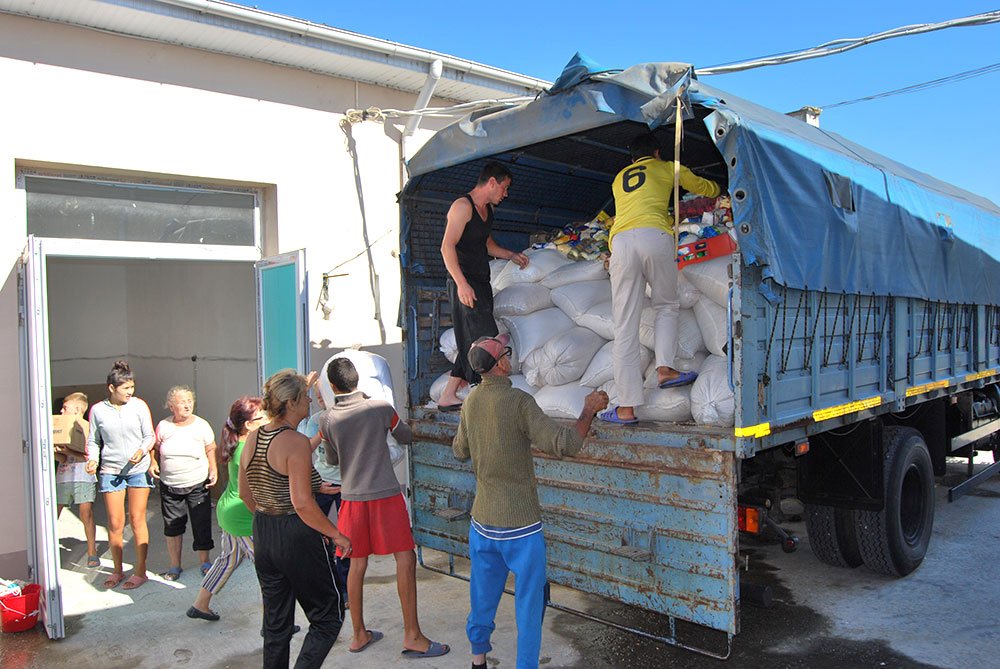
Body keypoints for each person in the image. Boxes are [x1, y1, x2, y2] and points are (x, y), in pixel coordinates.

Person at [452, 334, 608, 669]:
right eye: (506, 353)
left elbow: (460, 451)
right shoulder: (519, 402)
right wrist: (588, 410)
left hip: (482, 524)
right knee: (528, 604)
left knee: (482, 596)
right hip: (521, 528)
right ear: (502, 363)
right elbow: (564, 443)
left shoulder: (470, 401)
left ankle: (478, 658)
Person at [319, 358, 449, 658]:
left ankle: (358, 634)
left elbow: (332, 461)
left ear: (334, 386)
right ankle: (412, 636)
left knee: (356, 564)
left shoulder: (327, 419)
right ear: (357, 382)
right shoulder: (379, 408)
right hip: (386, 497)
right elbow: (405, 436)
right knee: (405, 559)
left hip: (351, 500)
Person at [600, 132, 722, 425]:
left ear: (632, 160)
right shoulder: (668, 166)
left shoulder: (619, 178)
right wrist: (716, 185)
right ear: (656, 153)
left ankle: (626, 408)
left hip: (620, 243)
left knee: (625, 324)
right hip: (654, 235)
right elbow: (705, 188)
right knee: (666, 304)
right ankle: (665, 368)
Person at [240, 369, 350, 669]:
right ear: (290, 402)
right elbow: (302, 504)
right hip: (296, 533)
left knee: (276, 626)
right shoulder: (295, 442)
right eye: (304, 397)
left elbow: (246, 492)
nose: (309, 403)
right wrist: (337, 534)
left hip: (263, 529)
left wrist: (272, 517)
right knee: (328, 617)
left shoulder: (253, 438)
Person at [438, 161, 529, 411]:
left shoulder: (486, 210)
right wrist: (462, 284)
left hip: (480, 281)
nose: (506, 193)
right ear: (491, 182)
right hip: (464, 282)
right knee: (487, 341)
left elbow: (487, 244)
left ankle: (448, 395)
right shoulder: (462, 206)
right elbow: (447, 247)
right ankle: (486, 398)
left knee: (472, 340)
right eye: (504, 187)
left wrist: (510, 254)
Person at [187, 396, 267, 622]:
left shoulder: (240, 443)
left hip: (229, 512)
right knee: (270, 570)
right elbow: (251, 492)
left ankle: (200, 605)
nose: (268, 419)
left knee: (227, 561)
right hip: (243, 517)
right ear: (249, 425)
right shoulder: (247, 449)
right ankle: (273, 623)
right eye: (263, 416)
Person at [85, 360, 155, 590]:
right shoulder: (98, 410)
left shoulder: (139, 406)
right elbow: (94, 440)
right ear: (112, 388)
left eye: (132, 388)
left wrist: (142, 451)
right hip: (111, 470)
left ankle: (140, 570)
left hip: (137, 469)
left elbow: (149, 436)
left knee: (137, 519)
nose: (130, 392)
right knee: (115, 523)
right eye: (125, 388)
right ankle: (117, 570)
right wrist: (92, 459)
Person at [153, 386, 218, 581]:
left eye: (190, 401)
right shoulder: (163, 426)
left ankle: (205, 562)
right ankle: (175, 566)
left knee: (201, 523)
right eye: (182, 402)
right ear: (171, 406)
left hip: (197, 482)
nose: (187, 405)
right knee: (173, 525)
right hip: (170, 484)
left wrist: (213, 469)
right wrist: (152, 462)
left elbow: (210, 448)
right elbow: (154, 447)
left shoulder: (201, 425)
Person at [55, 391, 99, 568]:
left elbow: (87, 456)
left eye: (65, 408)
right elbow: (63, 459)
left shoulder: (87, 427)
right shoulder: (62, 429)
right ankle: (49, 549)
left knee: (85, 514)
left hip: (83, 476)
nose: (61, 411)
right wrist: (57, 452)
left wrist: (67, 452)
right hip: (64, 475)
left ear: (77, 409)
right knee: (53, 514)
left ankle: (92, 552)